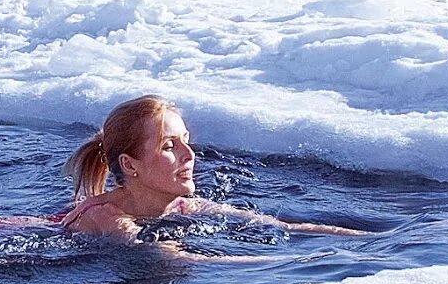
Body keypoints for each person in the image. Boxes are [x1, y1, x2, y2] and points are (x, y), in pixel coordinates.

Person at [61, 95, 366, 240]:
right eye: (169, 146)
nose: (189, 154)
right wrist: (290, 266)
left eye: (185, 140)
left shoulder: (182, 205)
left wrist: (366, 241)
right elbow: (173, 257)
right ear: (130, 165)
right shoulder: (107, 217)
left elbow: (283, 227)